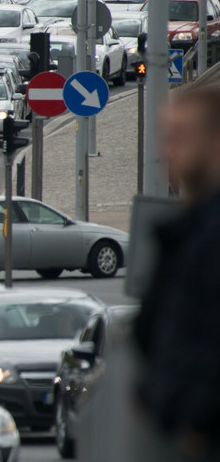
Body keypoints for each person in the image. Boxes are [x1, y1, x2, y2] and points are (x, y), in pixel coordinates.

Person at [133, 82, 220, 458]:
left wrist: (195, 414)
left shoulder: (208, 236)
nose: (169, 151)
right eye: (167, 138)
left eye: (182, 136)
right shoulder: (189, 231)